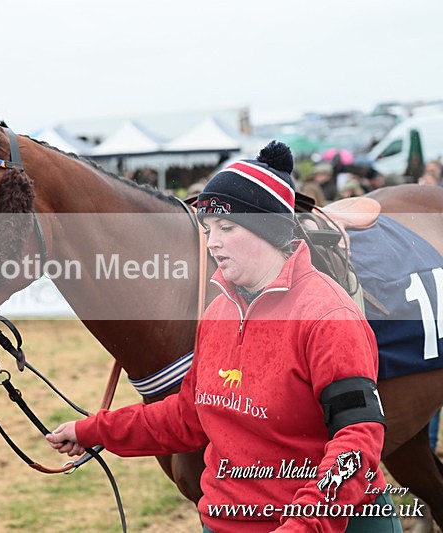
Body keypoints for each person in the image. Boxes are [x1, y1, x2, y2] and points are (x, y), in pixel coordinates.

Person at [46, 141, 399, 532]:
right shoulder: (218, 313)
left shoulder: (328, 316)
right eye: (208, 229)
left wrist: (305, 525)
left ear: (267, 229)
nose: (212, 242)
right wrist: (92, 430)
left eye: (226, 228)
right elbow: (187, 416)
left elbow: (357, 439)